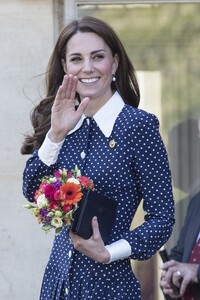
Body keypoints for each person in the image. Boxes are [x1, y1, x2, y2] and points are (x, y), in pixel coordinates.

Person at [21, 16, 175, 300]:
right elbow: (32, 190)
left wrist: (109, 252)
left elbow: (163, 218)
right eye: (77, 59)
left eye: (98, 57)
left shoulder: (138, 126)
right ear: (66, 67)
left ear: (114, 63)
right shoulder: (62, 123)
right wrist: (55, 134)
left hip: (109, 288)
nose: (87, 68)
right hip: (57, 287)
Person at [160, 191, 200, 300]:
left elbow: (191, 270)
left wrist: (197, 272)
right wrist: (169, 282)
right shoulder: (197, 201)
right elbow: (179, 254)